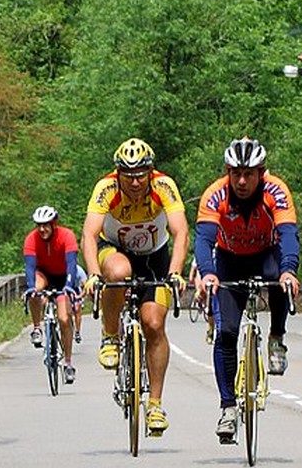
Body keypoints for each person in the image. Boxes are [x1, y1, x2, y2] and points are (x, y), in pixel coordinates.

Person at [195, 137, 300, 443]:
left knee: (280, 279)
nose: (241, 181)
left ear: (261, 173)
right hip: (228, 260)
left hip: (266, 255)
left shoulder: (275, 191)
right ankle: (228, 408)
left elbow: (289, 234)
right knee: (226, 333)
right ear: (228, 172)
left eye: (249, 174)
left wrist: (289, 270)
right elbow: (204, 239)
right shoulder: (215, 194)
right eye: (235, 173)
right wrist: (208, 274)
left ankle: (277, 337)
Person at [81, 137, 189, 436]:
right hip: (115, 249)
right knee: (118, 271)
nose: (135, 182)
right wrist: (92, 274)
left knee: (154, 323)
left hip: (155, 255)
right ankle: (110, 335)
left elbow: (180, 232)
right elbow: (89, 235)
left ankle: (155, 404)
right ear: (118, 174)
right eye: (128, 176)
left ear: (150, 171)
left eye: (141, 175)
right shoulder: (106, 188)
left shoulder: (164, 186)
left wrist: (176, 271)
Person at [23, 205, 79, 384]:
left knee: (64, 319)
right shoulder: (31, 239)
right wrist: (32, 288)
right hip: (44, 274)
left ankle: (68, 363)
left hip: (64, 277)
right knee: (35, 291)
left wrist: (69, 286)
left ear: (54, 224)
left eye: (46, 225)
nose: (42, 229)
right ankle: (37, 327)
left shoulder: (66, 236)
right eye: (39, 225)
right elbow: (30, 267)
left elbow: (71, 263)